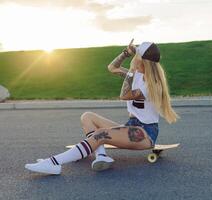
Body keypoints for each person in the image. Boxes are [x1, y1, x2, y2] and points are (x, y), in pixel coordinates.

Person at [25, 39, 179, 175]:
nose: (134, 57)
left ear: (142, 61)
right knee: (88, 116)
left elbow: (123, 95)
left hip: (144, 133)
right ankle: (101, 155)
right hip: (131, 126)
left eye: (136, 55)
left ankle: (53, 163)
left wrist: (131, 71)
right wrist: (125, 53)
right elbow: (112, 67)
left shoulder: (151, 86)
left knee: (101, 134)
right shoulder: (137, 76)